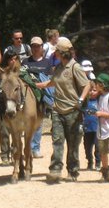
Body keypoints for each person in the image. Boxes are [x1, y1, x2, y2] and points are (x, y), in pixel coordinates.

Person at [36, 37, 91, 183]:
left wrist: (80, 100)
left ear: (62, 52)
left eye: (57, 52)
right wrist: (36, 85)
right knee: (57, 141)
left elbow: (86, 85)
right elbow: (51, 83)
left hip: (73, 111)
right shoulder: (59, 68)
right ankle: (55, 170)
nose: (55, 54)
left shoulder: (75, 67)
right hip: (57, 110)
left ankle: (73, 171)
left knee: (73, 143)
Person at [24, 36, 54, 158]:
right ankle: (27, 147)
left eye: (38, 46)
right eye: (33, 46)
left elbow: (50, 80)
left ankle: (35, 148)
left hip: (41, 96)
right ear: (31, 48)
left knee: (38, 122)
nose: (36, 48)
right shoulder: (26, 62)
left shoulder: (47, 62)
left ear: (42, 47)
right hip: (27, 95)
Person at [82, 83, 100, 170]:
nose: (92, 92)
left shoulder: (100, 101)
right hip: (87, 129)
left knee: (98, 147)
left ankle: (98, 162)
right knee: (87, 147)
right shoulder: (85, 102)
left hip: (97, 129)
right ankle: (90, 162)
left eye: (94, 90)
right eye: (90, 90)